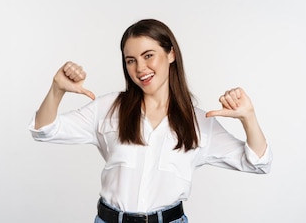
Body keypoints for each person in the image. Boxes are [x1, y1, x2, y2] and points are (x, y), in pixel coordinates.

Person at [29, 19, 272, 223]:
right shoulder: (108, 108)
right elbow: (44, 129)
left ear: (171, 54)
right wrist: (57, 89)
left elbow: (258, 163)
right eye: (130, 60)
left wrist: (248, 117)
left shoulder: (198, 122)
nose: (140, 68)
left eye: (148, 56)